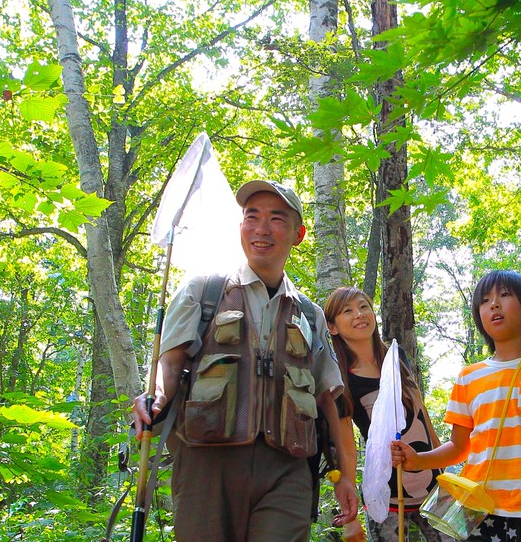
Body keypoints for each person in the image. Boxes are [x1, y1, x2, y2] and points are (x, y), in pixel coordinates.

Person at [131, 179, 358, 542]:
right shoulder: (202, 292)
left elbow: (329, 400)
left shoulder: (311, 315)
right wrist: (155, 395)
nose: (261, 229)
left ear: (298, 234)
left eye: (276, 219)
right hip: (205, 463)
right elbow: (169, 365)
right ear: (240, 227)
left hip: (287, 468)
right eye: (252, 217)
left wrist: (346, 475)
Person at [391, 270, 521, 541]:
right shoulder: (468, 377)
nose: (494, 304)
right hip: (479, 513)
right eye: (484, 300)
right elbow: (460, 447)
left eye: (505, 295)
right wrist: (418, 461)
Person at [324, 286, 446, 542]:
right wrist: (350, 511)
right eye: (348, 311)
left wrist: (443, 470)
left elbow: (422, 415)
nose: (359, 314)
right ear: (333, 327)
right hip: (387, 494)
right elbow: (346, 447)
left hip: (433, 487)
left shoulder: (395, 356)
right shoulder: (342, 379)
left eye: (364, 306)